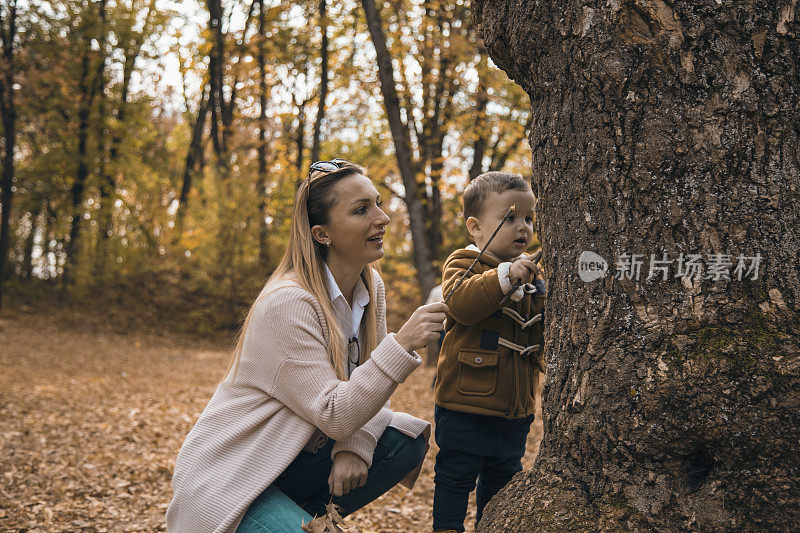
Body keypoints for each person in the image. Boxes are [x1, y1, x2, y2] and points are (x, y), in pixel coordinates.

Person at [166, 159, 448, 532]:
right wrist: (403, 344)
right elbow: (335, 412)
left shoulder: (370, 286)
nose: (382, 217)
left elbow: (371, 390)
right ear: (322, 234)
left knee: (404, 441)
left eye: (377, 203)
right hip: (233, 477)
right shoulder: (289, 302)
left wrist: (355, 446)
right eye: (362, 210)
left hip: (290, 461)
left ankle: (294, 519)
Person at [431, 171, 546, 533]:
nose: (522, 227)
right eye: (509, 218)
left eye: (528, 218)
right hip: (465, 403)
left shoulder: (533, 274)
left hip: (514, 409)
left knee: (501, 487)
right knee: (454, 479)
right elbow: (461, 304)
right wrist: (507, 276)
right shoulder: (463, 264)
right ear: (476, 227)